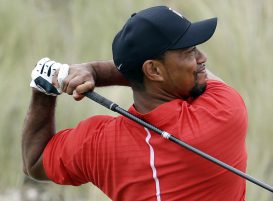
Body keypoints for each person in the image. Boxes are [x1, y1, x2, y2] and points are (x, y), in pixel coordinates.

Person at [22, 6, 248, 201]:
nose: (202, 58)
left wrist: (44, 89)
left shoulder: (97, 145)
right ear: (154, 70)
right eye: (189, 51)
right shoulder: (223, 112)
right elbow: (201, 76)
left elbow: (34, 162)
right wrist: (95, 71)